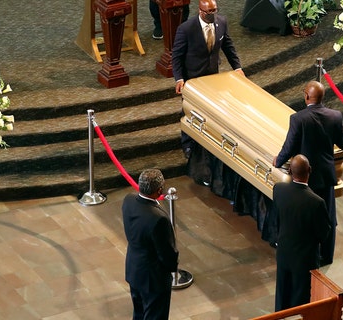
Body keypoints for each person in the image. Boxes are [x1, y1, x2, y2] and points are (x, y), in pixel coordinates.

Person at [273, 80, 343, 266]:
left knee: (305, 215)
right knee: (328, 217)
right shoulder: (335, 116)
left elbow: (290, 145)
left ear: (306, 96)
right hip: (325, 175)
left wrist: (279, 159)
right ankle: (327, 256)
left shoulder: (298, 119)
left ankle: (308, 254)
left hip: (304, 177)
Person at [171, 0, 244, 185]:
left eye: (215, 10)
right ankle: (188, 145)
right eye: (209, 11)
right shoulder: (186, 29)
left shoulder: (222, 22)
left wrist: (237, 67)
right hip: (193, 78)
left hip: (213, 77)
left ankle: (205, 144)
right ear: (200, 11)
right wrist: (179, 79)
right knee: (189, 111)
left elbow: (228, 45)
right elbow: (177, 56)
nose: (213, 14)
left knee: (208, 111)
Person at [274, 154, 331, 311]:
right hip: (304, 259)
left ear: (290, 171)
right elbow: (323, 233)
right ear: (310, 170)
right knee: (300, 302)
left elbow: (277, 218)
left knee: (282, 295)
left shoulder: (279, 190)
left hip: (284, 253)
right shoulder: (316, 202)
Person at [122, 169, 179, 320]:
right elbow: (166, 252)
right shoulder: (158, 218)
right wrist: (172, 267)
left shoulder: (128, 200)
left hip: (134, 269)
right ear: (159, 190)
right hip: (153, 278)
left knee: (139, 313)